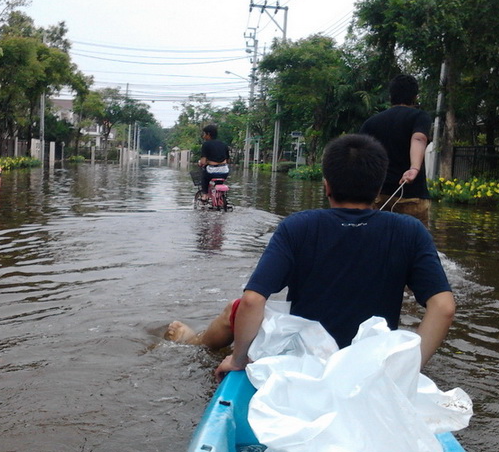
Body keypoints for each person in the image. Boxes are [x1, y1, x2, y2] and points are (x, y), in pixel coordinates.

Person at [167, 134, 455, 380]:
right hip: (368, 364)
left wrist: (238, 360)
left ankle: (193, 341)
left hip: (303, 360)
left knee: (237, 308)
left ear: (326, 184)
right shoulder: (409, 230)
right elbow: (443, 308)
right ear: (379, 187)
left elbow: (254, 300)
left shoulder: (298, 225)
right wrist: (405, 372)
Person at [359, 74, 432, 225]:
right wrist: (414, 168)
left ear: (391, 95)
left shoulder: (371, 123)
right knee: (414, 244)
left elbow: (360, 157)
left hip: (378, 196)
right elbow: (419, 138)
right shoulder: (419, 116)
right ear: (415, 96)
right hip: (412, 197)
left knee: (378, 242)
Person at [198, 124, 229, 201]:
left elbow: (203, 162)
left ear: (208, 134)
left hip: (212, 172)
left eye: (204, 134)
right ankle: (220, 195)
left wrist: (201, 163)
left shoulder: (206, 145)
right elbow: (228, 160)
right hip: (224, 171)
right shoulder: (224, 144)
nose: (203, 136)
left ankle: (205, 195)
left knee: (204, 176)